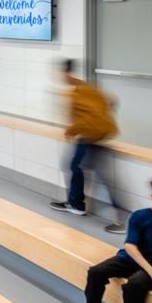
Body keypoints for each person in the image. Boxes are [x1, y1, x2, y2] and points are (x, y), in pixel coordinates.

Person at [49, 59, 125, 233]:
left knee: (100, 175)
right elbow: (112, 102)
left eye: (60, 73)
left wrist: (73, 130)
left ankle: (123, 219)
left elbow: (89, 116)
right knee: (75, 166)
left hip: (90, 136)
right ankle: (75, 203)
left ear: (65, 73)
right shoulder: (83, 88)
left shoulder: (79, 91)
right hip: (91, 135)